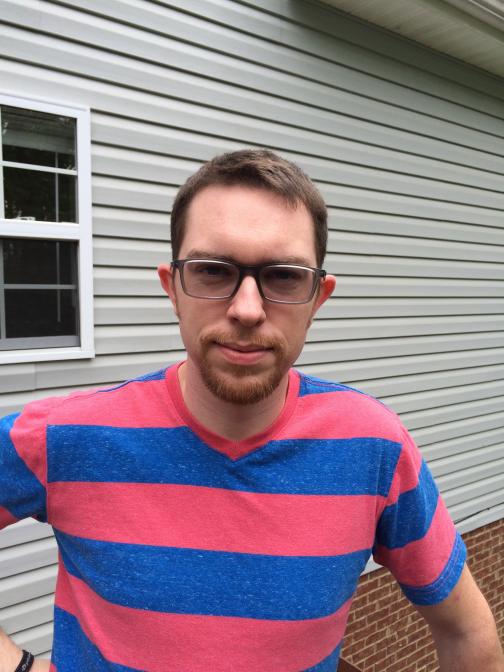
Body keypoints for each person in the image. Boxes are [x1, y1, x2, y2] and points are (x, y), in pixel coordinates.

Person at [0, 149, 502, 672]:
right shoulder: (68, 434)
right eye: (212, 272)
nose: (246, 309)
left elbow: (467, 631)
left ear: (318, 297)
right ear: (173, 289)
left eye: (283, 277)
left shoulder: (374, 447)